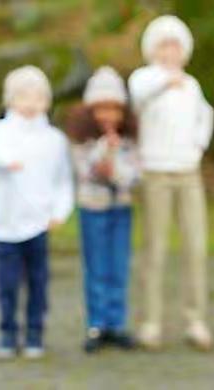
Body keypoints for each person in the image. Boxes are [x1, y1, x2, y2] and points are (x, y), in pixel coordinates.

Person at [128, 15, 214, 351]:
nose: (170, 51)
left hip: (187, 172)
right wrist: (166, 81)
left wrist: (198, 146)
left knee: (195, 246)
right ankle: (151, 322)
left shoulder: (191, 84)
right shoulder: (144, 78)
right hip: (155, 173)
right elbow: (137, 99)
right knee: (155, 248)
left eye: (175, 45)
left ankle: (196, 320)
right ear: (152, 49)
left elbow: (205, 117)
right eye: (163, 45)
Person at [0, 65, 74, 360]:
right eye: (23, 96)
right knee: (7, 284)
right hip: (5, 225)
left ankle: (35, 333)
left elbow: (63, 180)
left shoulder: (54, 140)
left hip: (38, 223)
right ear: (10, 99)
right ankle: (8, 332)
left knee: (38, 283)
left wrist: (59, 212)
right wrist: (5, 161)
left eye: (37, 96)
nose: (30, 103)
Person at [67, 66, 140, 353]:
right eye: (101, 109)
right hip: (92, 207)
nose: (108, 116)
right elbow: (85, 171)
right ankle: (96, 323)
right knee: (96, 266)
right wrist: (102, 151)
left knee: (119, 265)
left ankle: (116, 322)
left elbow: (133, 176)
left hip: (120, 207)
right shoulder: (81, 141)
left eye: (114, 109)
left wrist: (116, 166)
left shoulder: (130, 141)